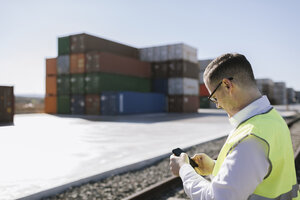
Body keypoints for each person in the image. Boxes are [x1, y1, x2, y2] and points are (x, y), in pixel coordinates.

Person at [169, 53, 300, 200]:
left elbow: (217, 198)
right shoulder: (272, 118)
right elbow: (257, 171)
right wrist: (214, 167)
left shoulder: (251, 138)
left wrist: (184, 169)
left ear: (227, 85)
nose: (218, 105)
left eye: (215, 98)